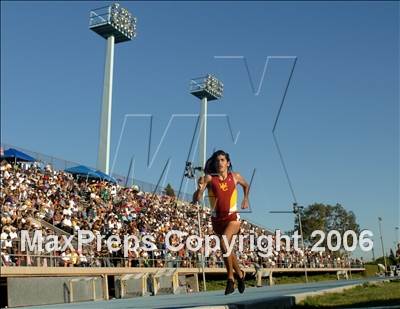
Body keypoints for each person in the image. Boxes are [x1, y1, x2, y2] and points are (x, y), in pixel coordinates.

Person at [192, 150, 250, 295]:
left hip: (232, 218)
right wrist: (199, 190)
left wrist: (245, 198)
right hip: (217, 219)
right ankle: (241, 274)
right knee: (227, 250)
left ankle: (230, 278)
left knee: (225, 243)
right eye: (217, 160)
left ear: (228, 163)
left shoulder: (235, 176)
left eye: (222, 160)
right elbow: (196, 199)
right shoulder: (209, 179)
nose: (220, 163)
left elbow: (246, 185)